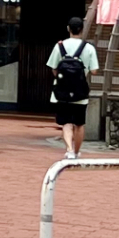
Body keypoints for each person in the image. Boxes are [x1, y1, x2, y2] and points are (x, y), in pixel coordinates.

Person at [49, 17, 99, 157]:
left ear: (68, 29)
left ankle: (69, 149)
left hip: (62, 91)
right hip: (80, 91)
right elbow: (94, 70)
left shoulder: (59, 46)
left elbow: (53, 68)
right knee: (79, 124)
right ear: (82, 30)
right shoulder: (88, 48)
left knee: (66, 123)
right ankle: (76, 152)